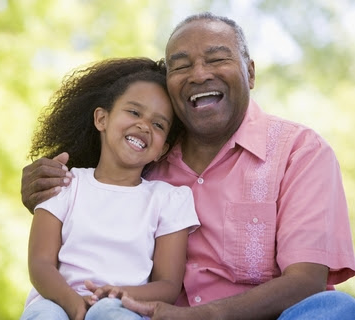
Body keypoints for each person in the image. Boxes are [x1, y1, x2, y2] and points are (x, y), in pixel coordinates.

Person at [21, 12, 355, 319]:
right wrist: (41, 191)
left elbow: (306, 281)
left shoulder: (299, 151)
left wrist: (204, 316)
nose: (199, 74)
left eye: (217, 58)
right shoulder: (145, 157)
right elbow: (89, 206)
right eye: (180, 66)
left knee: (337, 308)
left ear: (249, 72)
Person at [19, 57, 200, 320]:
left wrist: (115, 294)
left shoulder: (169, 199)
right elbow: (40, 264)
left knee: (110, 314)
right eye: (134, 112)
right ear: (102, 119)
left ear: (163, 150)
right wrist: (75, 304)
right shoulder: (64, 183)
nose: (143, 125)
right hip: (57, 299)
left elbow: (168, 286)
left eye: (158, 124)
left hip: (124, 304)